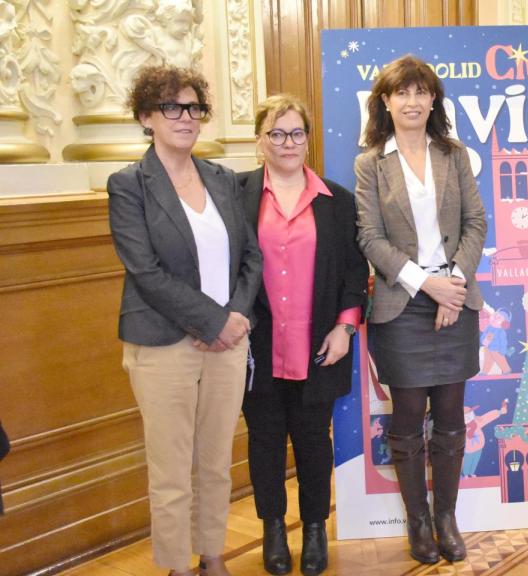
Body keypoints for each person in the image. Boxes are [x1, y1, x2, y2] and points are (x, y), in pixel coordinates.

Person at [107, 65, 262, 576]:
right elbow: (146, 272)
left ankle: (213, 556)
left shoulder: (221, 177)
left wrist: (235, 317)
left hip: (229, 342)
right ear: (147, 116)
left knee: (216, 463)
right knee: (172, 473)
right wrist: (213, 322)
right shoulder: (129, 185)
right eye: (172, 107)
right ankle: (176, 566)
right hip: (163, 345)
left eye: (194, 108)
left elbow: (250, 256)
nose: (186, 117)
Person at [354, 54, 487, 564]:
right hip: (402, 304)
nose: (412, 101)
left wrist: (452, 282)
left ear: (433, 99)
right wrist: (427, 284)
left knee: (450, 416)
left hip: (455, 299)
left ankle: (446, 518)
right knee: (408, 417)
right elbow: (369, 236)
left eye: (421, 92)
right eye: (401, 93)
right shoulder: (370, 164)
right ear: (385, 103)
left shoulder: (453, 155)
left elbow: (476, 222)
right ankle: (417, 523)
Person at [238, 94, 368, 576]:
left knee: (314, 440)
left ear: (308, 139)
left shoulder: (338, 200)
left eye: (296, 133)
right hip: (256, 345)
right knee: (265, 440)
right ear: (260, 140)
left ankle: (314, 529)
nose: (287, 143)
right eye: (276, 133)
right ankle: (273, 529)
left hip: (319, 345)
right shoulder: (237, 194)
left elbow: (355, 269)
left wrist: (345, 326)